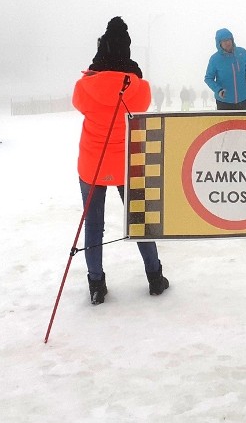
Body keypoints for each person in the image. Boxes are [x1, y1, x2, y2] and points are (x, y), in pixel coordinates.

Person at [73, 16, 169, 305]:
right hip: (128, 165)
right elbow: (144, 100)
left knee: (93, 224)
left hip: (93, 164)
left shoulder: (86, 86)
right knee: (140, 220)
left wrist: (94, 71)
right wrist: (132, 74)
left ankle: (96, 284)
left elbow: (78, 101)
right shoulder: (137, 87)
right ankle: (154, 277)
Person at [204, 28, 246, 110]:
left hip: (242, 99)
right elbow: (208, 78)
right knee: (226, 123)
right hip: (224, 101)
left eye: (229, 39)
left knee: (241, 122)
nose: (227, 43)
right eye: (224, 41)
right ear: (219, 43)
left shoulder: (242, 53)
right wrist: (218, 90)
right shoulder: (215, 59)